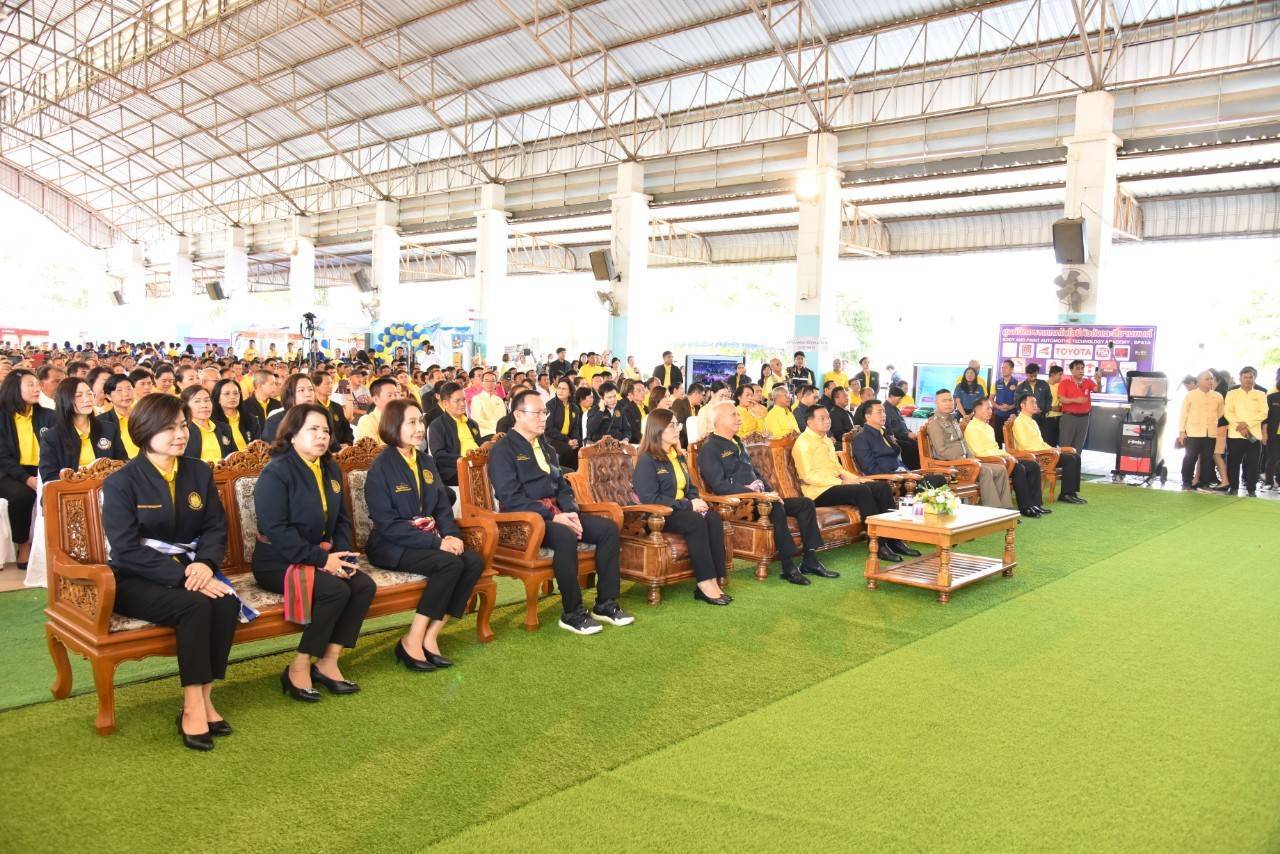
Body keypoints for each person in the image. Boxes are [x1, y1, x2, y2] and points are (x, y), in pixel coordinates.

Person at [99, 393, 237, 750]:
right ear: (144, 431)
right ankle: (192, 705)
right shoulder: (122, 482)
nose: (180, 434)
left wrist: (204, 564)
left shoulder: (198, 471)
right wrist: (185, 577)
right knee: (195, 605)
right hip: (136, 579)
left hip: (193, 569)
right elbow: (125, 549)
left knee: (225, 602)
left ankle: (205, 696)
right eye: (169, 428)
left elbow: (215, 526)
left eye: (183, 426)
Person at [254, 404, 373, 701]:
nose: (322, 436)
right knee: (335, 591)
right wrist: (322, 560)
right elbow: (277, 530)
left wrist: (342, 556)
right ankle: (300, 664)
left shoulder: (330, 467)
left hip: (322, 556)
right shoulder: (276, 472)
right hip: (278, 561)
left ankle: (328, 661)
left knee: (362, 585)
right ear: (292, 435)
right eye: (313, 429)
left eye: (326, 430)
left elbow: (342, 518)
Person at [487, 390, 633, 635]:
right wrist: (554, 516)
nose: (543, 417)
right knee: (565, 535)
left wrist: (571, 512)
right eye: (536, 413)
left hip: (558, 514)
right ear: (518, 415)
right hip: (526, 520)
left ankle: (606, 604)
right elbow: (510, 498)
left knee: (607, 529)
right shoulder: (503, 449)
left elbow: (562, 486)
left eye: (544, 412)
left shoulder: (545, 446)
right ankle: (572, 613)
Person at [365, 400, 485, 671]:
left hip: (428, 539)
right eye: (412, 422)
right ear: (393, 426)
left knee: (473, 561)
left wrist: (451, 536)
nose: (420, 428)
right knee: (449, 564)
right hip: (390, 544)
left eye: (420, 421)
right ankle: (412, 639)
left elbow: (442, 508)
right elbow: (387, 525)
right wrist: (438, 543)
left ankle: (431, 636)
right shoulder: (381, 467)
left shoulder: (426, 461)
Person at [696, 401, 832, 585]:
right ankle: (788, 566)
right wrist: (757, 495)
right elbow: (720, 485)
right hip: (738, 504)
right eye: (734, 414)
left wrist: (771, 492)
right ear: (719, 420)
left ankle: (810, 559)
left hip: (762, 499)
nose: (739, 418)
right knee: (774, 507)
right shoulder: (710, 448)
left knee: (805, 504)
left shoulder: (737, 442)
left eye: (738, 414)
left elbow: (756, 473)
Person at [632, 409, 730, 605]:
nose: (678, 429)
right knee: (694, 521)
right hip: (660, 514)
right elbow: (650, 498)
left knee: (712, 517)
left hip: (682, 509)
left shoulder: (677, 456)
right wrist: (687, 505)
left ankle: (716, 578)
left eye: (677, 424)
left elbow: (691, 488)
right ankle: (704, 583)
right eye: (672, 425)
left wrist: (697, 502)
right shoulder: (647, 460)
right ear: (657, 429)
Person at [793, 406, 907, 564]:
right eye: (822, 418)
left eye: (828, 417)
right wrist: (841, 482)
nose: (827, 421)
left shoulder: (826, 440)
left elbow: (838, 469)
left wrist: (858, 478)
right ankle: (878, 544)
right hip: (817, 491)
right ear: (809, 422)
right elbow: (808, 476)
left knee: (881, 487)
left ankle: (894, 539)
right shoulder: (803, 443)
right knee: (861, 491)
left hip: (835, 485)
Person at [927, 390, 1025, 513]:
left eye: (950, 400)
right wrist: (965, 460)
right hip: (952, 465)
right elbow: (941, 451)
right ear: (936, 403)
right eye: (944, 401)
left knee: (1000, 469)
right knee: (985, 471)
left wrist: (971, 457)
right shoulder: (935, 423)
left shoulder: (953, 419)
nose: (948, 403)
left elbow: (963, 444)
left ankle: (1006, 510)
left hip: (966, 461)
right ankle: (993, 511)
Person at [960, 396, 1047, 517]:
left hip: (999, 458)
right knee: (1019, 469)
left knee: (1032, 465)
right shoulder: (972, 428)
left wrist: (1007, 455)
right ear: (977, 410)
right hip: (989, 461)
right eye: (988, 408)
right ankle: (1025, 506)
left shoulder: (989, 428)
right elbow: (979, 452)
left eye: (991, 409)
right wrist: (1003, 456)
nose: (990, 411)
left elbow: (995, 448)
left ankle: (1035, 504)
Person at [38, 377, 117, 482]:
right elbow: (49, 476)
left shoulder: (109, 429)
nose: (87, 399)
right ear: (65, 400)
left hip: (109, 487)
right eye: (78, 395)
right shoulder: (51, 437)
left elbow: (121, 463)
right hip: (71, 490)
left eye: (89, 394)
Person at [1012, 393, 1086, 504]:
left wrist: (1053, 449)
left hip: (1044, 452)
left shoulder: (1032, 421)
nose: (1035, 405)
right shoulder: (1019, 422)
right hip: (1035, 456)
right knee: (1070, 459)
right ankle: (1065, 494)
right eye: (1032, 402)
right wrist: (1048, 451)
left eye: (1036, 402)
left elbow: (1041, 442)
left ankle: (1071, 493)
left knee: (1075, 456)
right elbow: (1025, 445)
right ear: (1022, 405)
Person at [852, 400, 946, 487]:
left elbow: (896, 459)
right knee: (938, 481)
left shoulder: (883, 432)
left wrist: (908, 473)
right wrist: (903, 475)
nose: (884, 415)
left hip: (903, 476)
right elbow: (871, 470)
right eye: (879, 412)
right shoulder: (862, 438)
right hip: (890, 482)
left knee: (940, 479)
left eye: (884, 411)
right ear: (867, 416)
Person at [426, 381, 482, 487]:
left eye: (464, 400)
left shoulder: (472, 423)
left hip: (478, 466)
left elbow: (479, 445)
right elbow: (439, 455)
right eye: (457, 401)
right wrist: (465, 460)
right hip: (454, 472)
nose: (462, 404)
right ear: (445, 403)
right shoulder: (437, 425)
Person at [1223, 366, 1267, 497]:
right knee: (1233, 462)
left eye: (1250, 377)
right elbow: (1228, 412)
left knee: (1253, 463)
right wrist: (1240, 426)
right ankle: (1233, 487)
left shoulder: (1261, 394)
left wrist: (1247, 424)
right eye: (1245, 377)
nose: (1248, 380)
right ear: (1240, 378)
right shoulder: (1232, 393)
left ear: (1254, 378)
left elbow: (1264, 413)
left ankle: (1251, 489)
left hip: (1254, 434)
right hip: (1235, 433)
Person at [1178, 370, 1224, 492]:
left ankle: (1204, 484)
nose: (1210, 381)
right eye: (1207, 379)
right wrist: (1182, 431)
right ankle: (1186, 482)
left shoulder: (1218, 396)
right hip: (1193, 432)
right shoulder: (1190, 395)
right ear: (1198, 381)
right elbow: (1183, 414)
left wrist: (1211, 421)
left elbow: (1220, 413)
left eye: (1211, 379)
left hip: (1210, 432)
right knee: (1190, 458)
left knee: (1207, 459)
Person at [181, 385, 236, 465]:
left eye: (207, 400)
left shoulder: (224, 428)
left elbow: (234, 457)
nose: (204, 405)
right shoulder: (183, 431)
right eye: (197, 401)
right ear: (186, 406)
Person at [1057, 359, 1103, 451]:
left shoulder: (1088, 381)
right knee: (1065, 445)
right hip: (1069, 418)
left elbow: (1098, 390)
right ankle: (1064, 460)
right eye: (1077, 368)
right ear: (1071, 370)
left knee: (1079, 445)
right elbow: (1061, 399)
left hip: (1084, 418)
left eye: (1082, 368)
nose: (1081, 370)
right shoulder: (1064, 383)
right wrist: (1076, 400)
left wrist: (1098, 381)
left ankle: (1076, 460)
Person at [261, 373, 316, 443]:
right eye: (301, 390)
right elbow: (272, 448)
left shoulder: (321, 417)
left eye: (311, 389)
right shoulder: (275, 421)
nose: (308, 394)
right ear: (290, 394)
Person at [98, 374, 139, 460]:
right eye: (119, 390)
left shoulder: (144, 415)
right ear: (109, 396)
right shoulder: (102, 422)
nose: (126, 394)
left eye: (129, 389)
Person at [543, 377, 581, 469]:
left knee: (580, 449)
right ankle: (562, 473)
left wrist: (575, 440)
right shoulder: (550, 405)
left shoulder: (575, 408)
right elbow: (549, 429)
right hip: (552, 439)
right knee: (567, 450)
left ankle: (575, 475)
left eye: (563, 389)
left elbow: (575, 429)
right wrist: (567, 441)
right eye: (559, 388)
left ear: (570, 392)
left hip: (567, 439)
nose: (560, 391)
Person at [312, 369, 354, 448]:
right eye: (327, 384)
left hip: (340, 450)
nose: (331, 386)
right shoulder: (311, 408)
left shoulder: (336, 406)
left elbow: (347, 428)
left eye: (331, 383)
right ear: (315, 386)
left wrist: (348, 443)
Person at [354, 377, 401, 444]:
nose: (394, 398)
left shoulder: (402, 417)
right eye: (390, 395)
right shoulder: (367, 421)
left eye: (396, 394)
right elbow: (372, 449)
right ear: (375, 399)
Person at [883, 386, 920, 469]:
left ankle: (919, 468)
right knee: (912, 446)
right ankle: (912, 470)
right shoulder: (885, 409)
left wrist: (909, 432)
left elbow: (902, 425)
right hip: (895, 439)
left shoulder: (895, 408)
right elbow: (888, 429)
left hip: (903, 435)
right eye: (899, 399)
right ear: (891, 396)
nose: (900, 401)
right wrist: (906, 434)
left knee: (918, 443)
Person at [210, 379, 251, 451]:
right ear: (217, 397)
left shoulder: (250, 419)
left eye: (235, 393)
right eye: (227, 394)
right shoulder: (212, 423)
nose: (232, 397)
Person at [239, 369, 282, 438]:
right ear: (259, 386)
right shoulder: (244, 407)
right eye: (271, 384)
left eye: (275, 384)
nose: (275, 387)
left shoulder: (278, 405)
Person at [469, 371, 506, 440]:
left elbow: (503, 418)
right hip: (485, 434)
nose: (490, 383)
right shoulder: (477, 398)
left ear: (496, 383)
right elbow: (477, 420)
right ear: (482, 383)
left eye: (493, 381)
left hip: (500, 433)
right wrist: (495, 431)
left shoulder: (499, 400)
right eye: (486, 381)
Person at [992, 359, 1018, 445]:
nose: (1003, 369)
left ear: (1012, 369)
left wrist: (1010, 407)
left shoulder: (1018, 383)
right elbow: (990, 399)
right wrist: (999, 407)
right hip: (998, 415)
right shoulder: (996, 383)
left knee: (1010, 440)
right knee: (998, 439)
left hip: (1012, 416)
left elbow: (1020, 401)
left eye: (1005, 367)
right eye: (1002, 368)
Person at [1044, 364, 1065, 446]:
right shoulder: (1043, 386)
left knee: (1055, 443)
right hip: (1046, 419)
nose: (1061, 377)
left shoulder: (1060, 386)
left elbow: (1062, 406)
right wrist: (1051, 408)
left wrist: (1057, 408)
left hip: (1059, 418)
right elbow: (1040, 404)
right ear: (1052, 374)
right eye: (1060, 374)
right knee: (1047, 443)